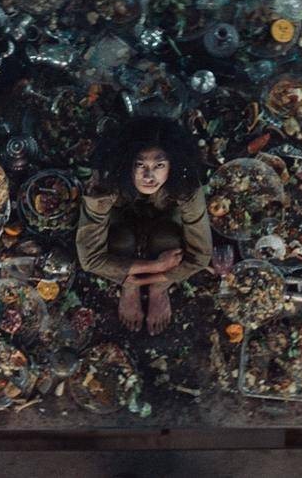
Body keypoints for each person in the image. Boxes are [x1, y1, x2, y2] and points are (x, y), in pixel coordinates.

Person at [76, 117, 213, 335]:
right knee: (121, 241)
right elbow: (90, 259)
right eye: (140, 165)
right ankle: (128, 288)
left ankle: (159, 290)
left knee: (166, 240)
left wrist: (157, 281)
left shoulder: (185, 184)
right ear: (126, 163)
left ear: (173, 165)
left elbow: (201, 256)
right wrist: (154, 267)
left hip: (166, 220)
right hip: (120, 219)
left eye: (159, 165)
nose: (149, 176)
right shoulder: (105, 182)